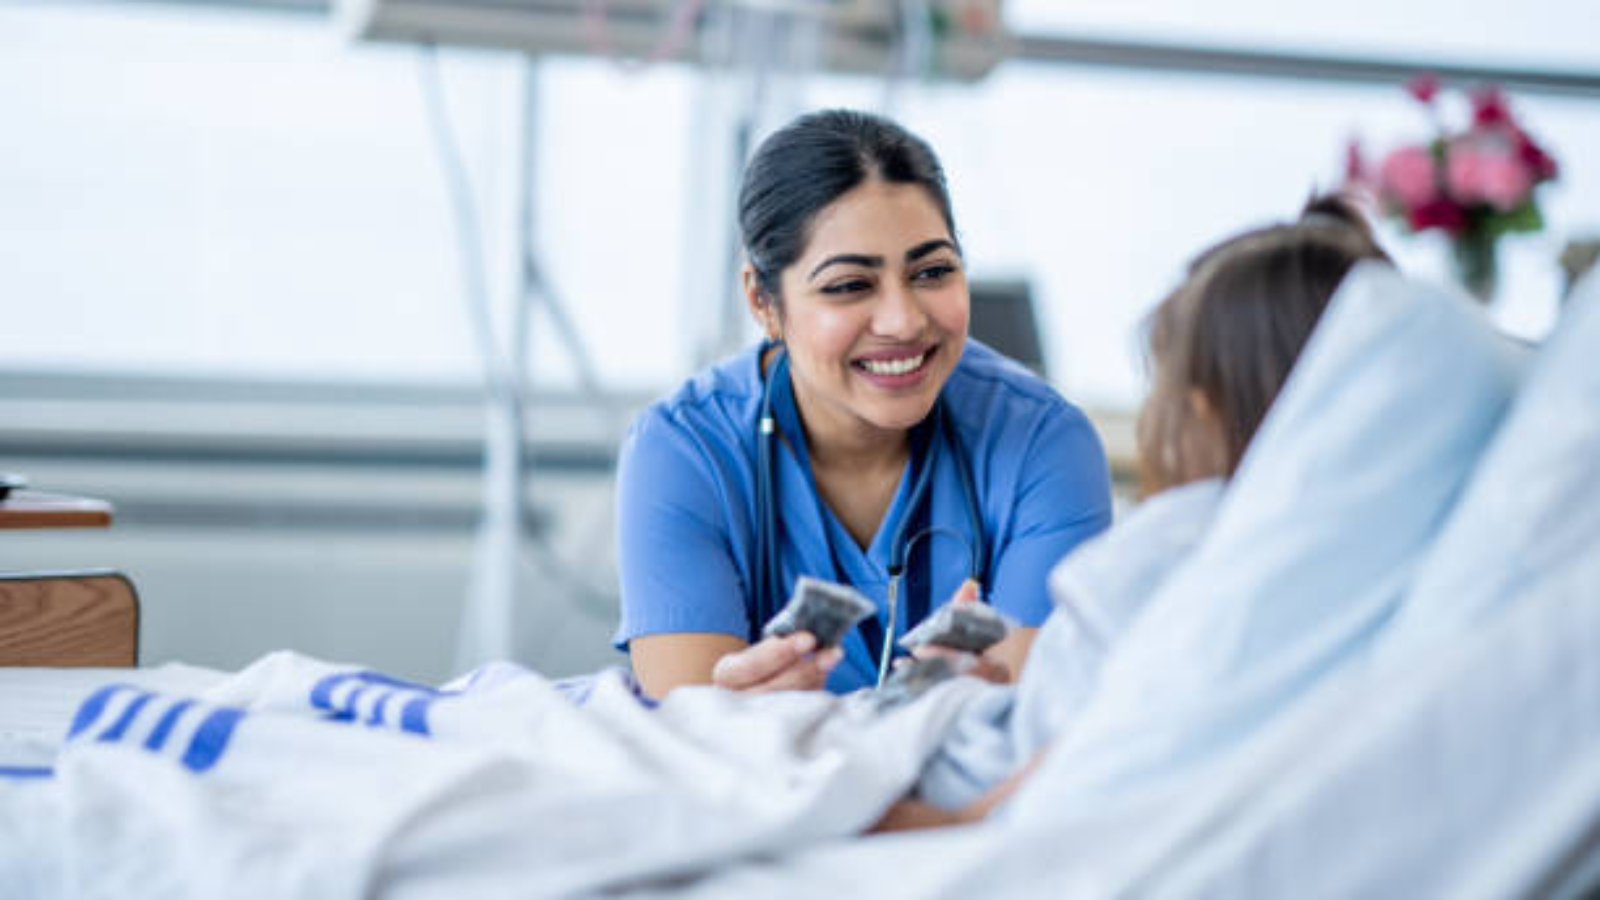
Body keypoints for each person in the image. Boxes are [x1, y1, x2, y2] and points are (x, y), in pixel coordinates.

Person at [874, 194, 1393, 830]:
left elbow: (1052, 772)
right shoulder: (1358, 565)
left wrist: (938, 694)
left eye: (1160, 388)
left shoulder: (1179, 542)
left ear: (1198, 410)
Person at [613, 109, 1114, 697]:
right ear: (763, 301)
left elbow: (1035, 723)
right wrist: (726, 712)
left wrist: (993, 699)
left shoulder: (1044, 444)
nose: (903, 321)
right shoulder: (685, 450)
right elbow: (691, 735)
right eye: (849, 285)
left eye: (932, 271)